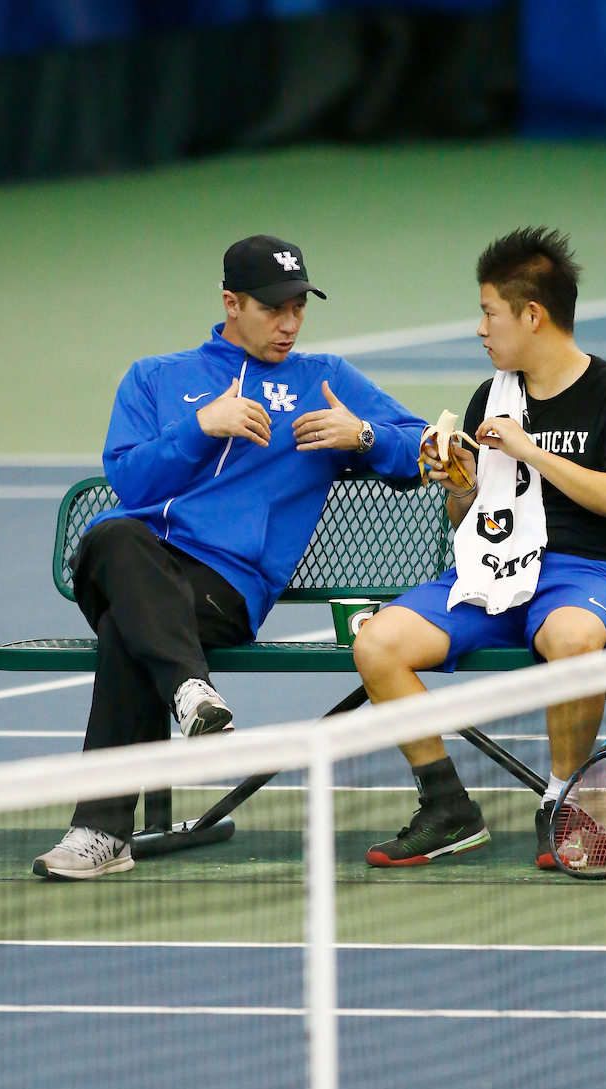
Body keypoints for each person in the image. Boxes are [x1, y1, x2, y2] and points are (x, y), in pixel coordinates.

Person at [33, 234, 427, 880]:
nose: (290, 324)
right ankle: (188, 690)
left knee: (128, 630)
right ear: (231, 304)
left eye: (299, 307)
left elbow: (426, 450)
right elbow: (128, 482)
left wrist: (364, 435)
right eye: (273, 309)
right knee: (115, 536)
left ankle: (102, 831)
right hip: (129, 563)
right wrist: (200, 427)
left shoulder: (323, 380)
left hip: (222, 589)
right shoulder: (155, 377)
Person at [353, 227, 606, 869]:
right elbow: (468, 517)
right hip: (489, 573)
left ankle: (561, 803)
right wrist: (459, 485)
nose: (481, 329)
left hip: (582, 576)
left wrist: (530, 450)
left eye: (490, 313)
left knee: (573, 640)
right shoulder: (490, 398)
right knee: (377, 644)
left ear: (532, 315)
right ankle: (447, 809)